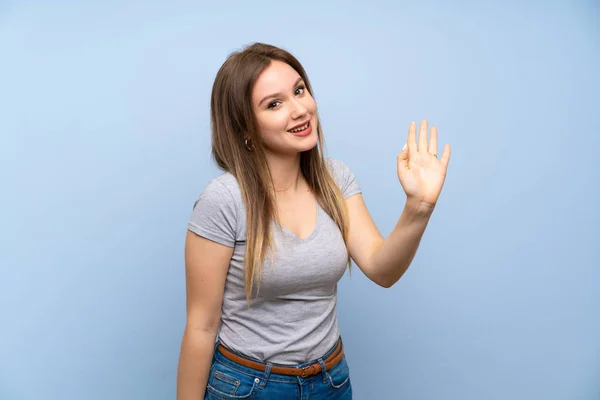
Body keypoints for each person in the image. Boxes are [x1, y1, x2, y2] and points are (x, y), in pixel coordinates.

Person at [176, 42, 451, 400]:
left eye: (299, 90)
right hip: (249, 387)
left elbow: (382, 269)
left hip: (330, 381)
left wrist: (419, 205)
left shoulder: (336, 180)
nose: (299, 110)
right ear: (245, 127)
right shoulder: (224, 200)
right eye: (274, 104)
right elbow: (201, 326)